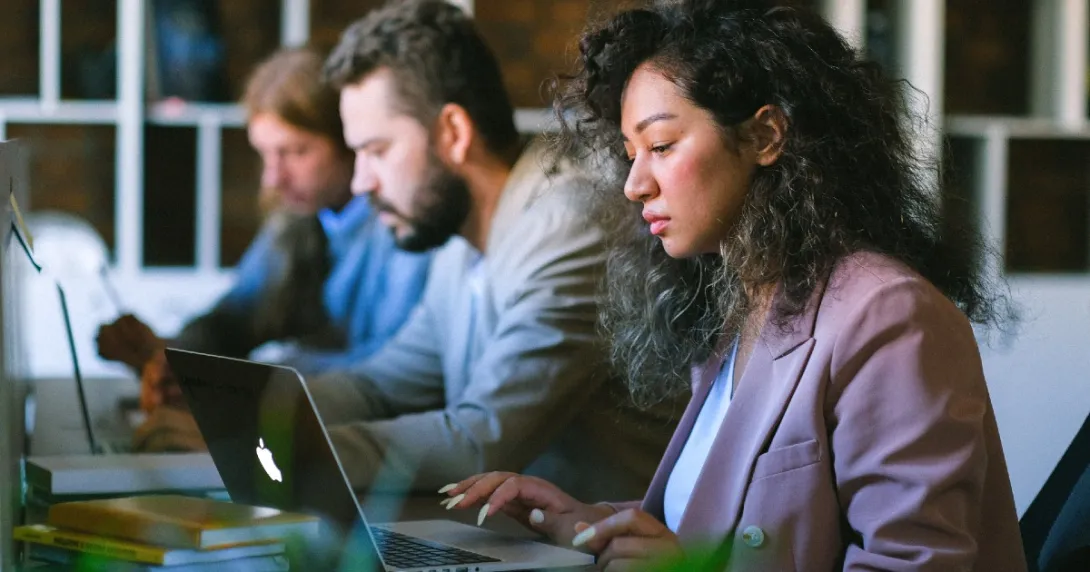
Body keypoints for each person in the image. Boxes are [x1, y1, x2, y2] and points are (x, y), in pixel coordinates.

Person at [441, 1, 1027, 570]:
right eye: (630, 154)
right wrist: (589, 523)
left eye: (662, 146)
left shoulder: (889, 315)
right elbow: (723, 532)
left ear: (766, 136)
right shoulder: (750, 306)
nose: (635, 184)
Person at [133, 0, 680, 502]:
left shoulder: (570, 221)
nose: (363, 182)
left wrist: (263, 449)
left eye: (376, 151)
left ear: (453, 133)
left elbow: (481, 439)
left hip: (595, 553)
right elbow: (381, 384)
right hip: (511, 543)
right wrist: (245, 413)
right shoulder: (460, 239)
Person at [96, 47, 432, 418]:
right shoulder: (298, 219)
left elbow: (393, 368)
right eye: (266, 154)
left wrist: (250, 378)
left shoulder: (402, 226)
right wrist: (171, 355)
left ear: (349, 142)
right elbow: (235, 318)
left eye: (295, 152)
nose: (273, 177)